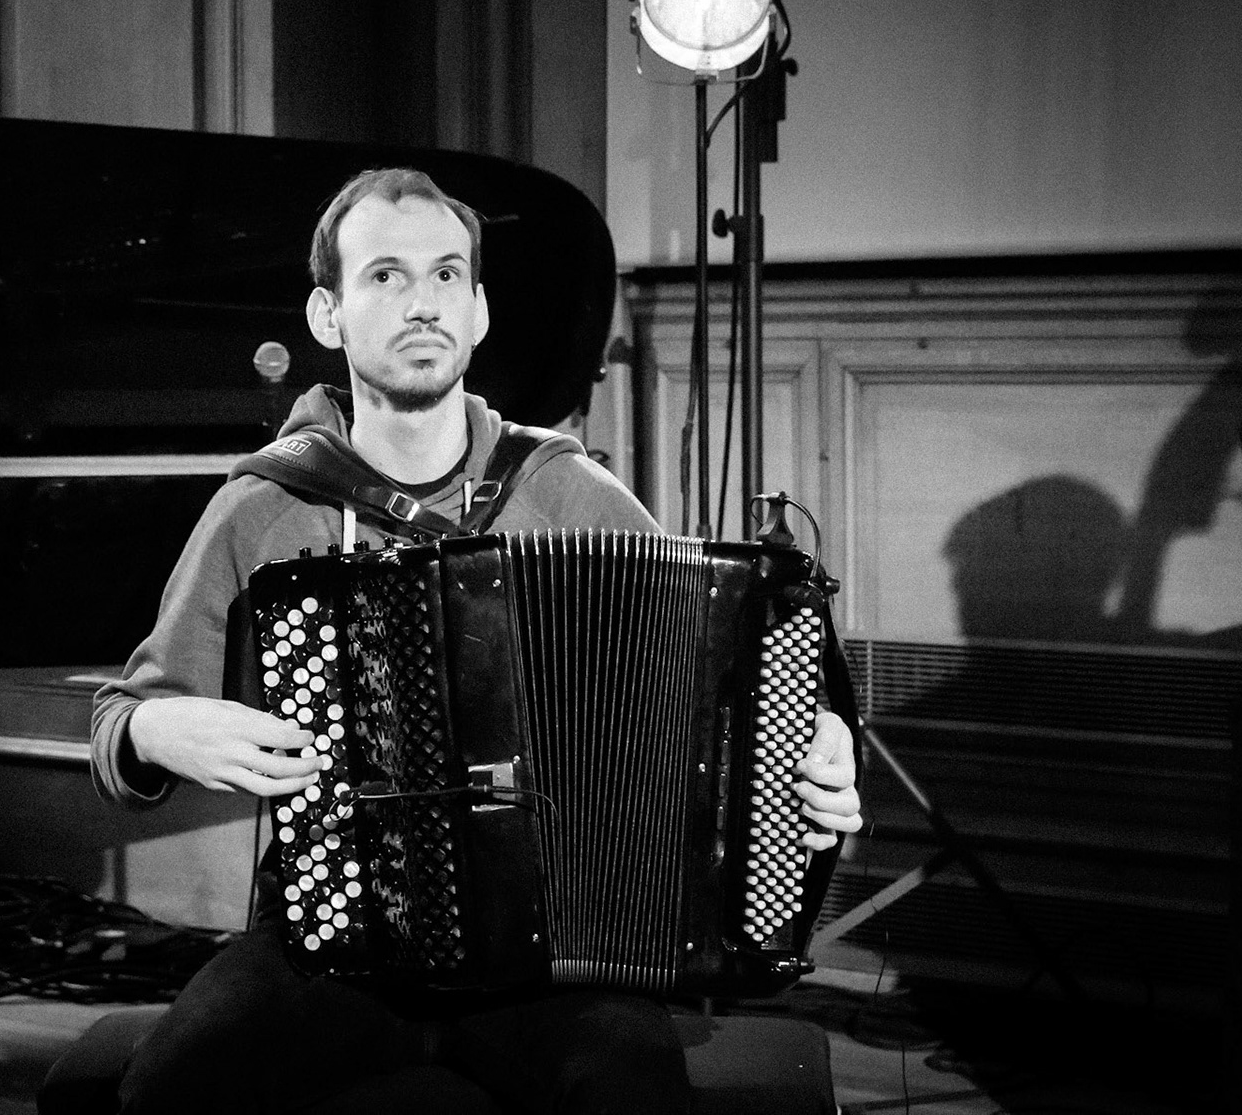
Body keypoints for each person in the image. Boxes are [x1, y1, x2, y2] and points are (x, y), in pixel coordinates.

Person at [88, 168, 863, 1114]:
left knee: (633, 1092)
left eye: (447, 275)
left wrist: (813, 743)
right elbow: (122, 717)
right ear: (327, 316)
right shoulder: (264, 508)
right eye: (385, 277)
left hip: (560, 959)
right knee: (165, 1098)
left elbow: (718, 692)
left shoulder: (571, 493)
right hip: (334, 945)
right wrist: (158, 734)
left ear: (481, 310)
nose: (423, 303)